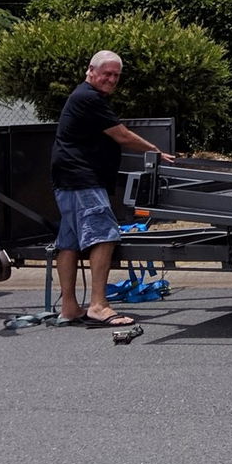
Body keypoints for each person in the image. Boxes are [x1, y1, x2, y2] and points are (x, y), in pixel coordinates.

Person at [50, 50, 174, 327]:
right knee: (104, 235)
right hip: (82, 179)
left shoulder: (86, 96)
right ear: (90, 71)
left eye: (116, 75)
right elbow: (120, 135)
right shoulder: (88, 97)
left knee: (69, 243)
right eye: (107, 73)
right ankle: (98, 305)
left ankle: (69, 307)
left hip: (69, 179)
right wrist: (154, 150)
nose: (112, 79)